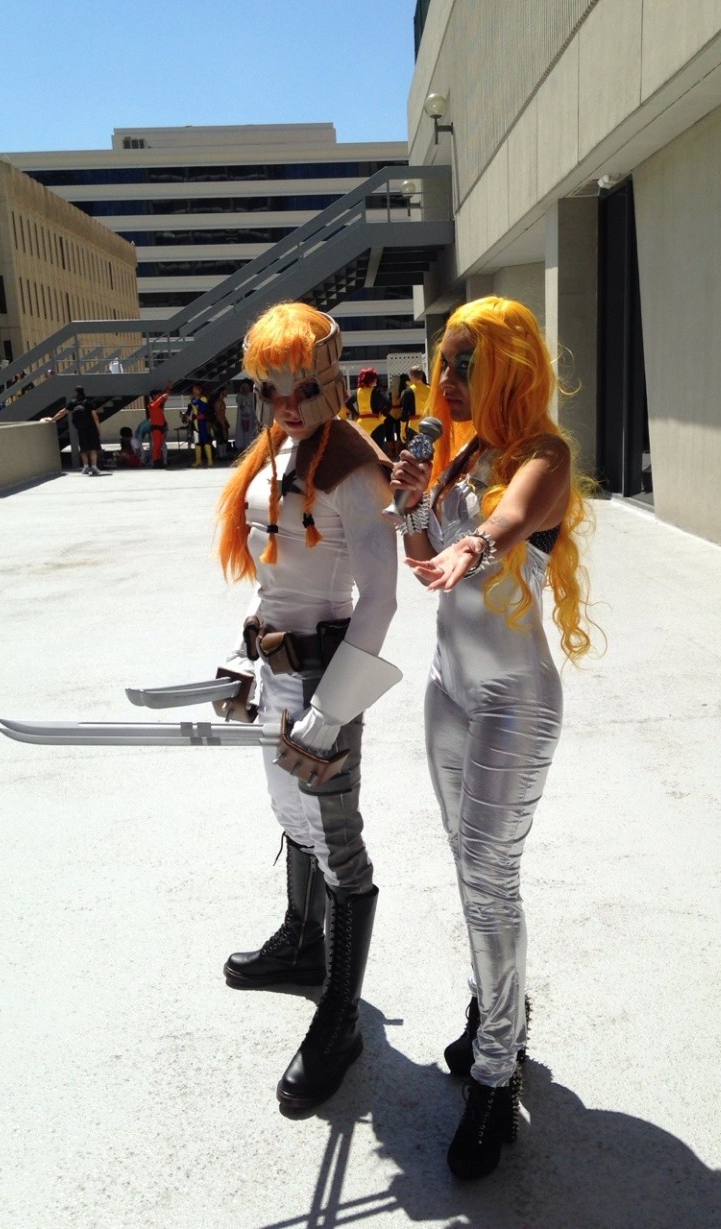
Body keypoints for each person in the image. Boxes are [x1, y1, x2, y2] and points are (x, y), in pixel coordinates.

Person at [390, 296, 596, 1181]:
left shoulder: (543, 457)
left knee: (489, 874)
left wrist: (470, 544)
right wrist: (410, 504)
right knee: (467, 866)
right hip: (448, 690)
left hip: (516, 699)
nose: (445, 379)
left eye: (463, 363)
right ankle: (492, 1008)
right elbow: (424, 561)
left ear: (506, 368)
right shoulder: (459, 454)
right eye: (444, 360)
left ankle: (495, 1070)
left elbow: (508, 519)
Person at [217, 302, 399, 1111]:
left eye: (301, 386)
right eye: (271, 388)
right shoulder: (275, 452)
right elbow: (273, 577)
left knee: (338, 842)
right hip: (276, 668)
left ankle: (341, 1018)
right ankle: (301, 942)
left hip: (326, 674)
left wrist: (334, 707)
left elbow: (381, 598)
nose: (287, 404)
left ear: (329, 377)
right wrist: (240, 655)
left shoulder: (354, 465)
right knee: (290, 812)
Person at [68, 386, 102, 475]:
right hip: (92, 429)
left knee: (83, 449)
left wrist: (53, 419)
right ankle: (94, 467)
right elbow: (95, 417)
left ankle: (85, 467)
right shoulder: (89, 402)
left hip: (81, 429)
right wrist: (99, 429)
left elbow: (62, 412)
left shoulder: (73, 403)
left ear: (76, 392)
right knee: (93, 448)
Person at [400, 364, 430, 441]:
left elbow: (404, 413)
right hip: (429, 425)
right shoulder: (430, 389)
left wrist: (402, 431)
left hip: (414, 427)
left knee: (414, 449)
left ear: (411, 376)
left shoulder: (408, 392)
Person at [147, 385, 171, 467]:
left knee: (160, 445)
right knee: (156, 446)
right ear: (154, 396)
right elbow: (155, 404)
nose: (160, 395)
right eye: (158, 394)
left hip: (162, 427)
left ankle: (160, 461)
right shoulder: (151, 404)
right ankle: (155, 461)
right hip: (156, 428)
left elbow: (165, 397)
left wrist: (168, 389)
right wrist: (162, 397)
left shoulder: (160, 403)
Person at [233, 379, 258, 453]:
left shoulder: (252, 395)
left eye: (247, 387)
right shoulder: (239, 396)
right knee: (242, 431)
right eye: (244, 387)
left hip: (251, 417)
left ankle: (250, 445)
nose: (245, 389)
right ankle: (242, 445)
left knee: (251, 431)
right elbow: (240, 404)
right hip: (243, 417)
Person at [210, 385, 230, 459]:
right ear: (222, 392)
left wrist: (225, 421)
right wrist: (222, 423)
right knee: (220, 438)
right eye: (225, 392)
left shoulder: (222, 401)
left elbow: (222, 413)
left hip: (223, 421)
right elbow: (217, 414)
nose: (227, 393)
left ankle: (224, 454)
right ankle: (221, 454)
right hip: (219, 422)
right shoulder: (218, 402)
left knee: (225, 438)